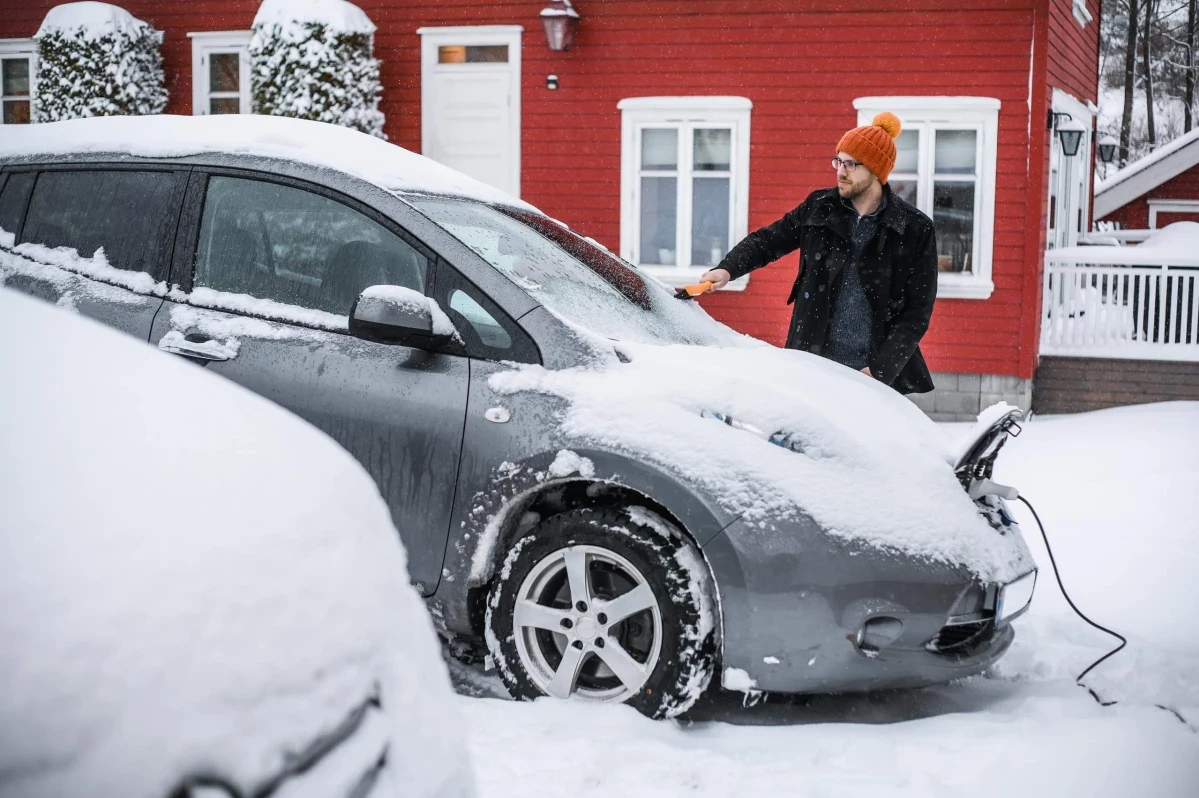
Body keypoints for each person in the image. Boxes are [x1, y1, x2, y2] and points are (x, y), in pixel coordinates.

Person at [701, 112, 938, 395]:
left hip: (873, 376)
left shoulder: (914, 229)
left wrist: (880, 369)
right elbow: (768, 240)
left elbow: (917, 312)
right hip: (811, 364)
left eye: (851, 164)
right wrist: (727, 269)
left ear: (876, 171)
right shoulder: (820, 207)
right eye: (839, 161)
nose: (840, 171)